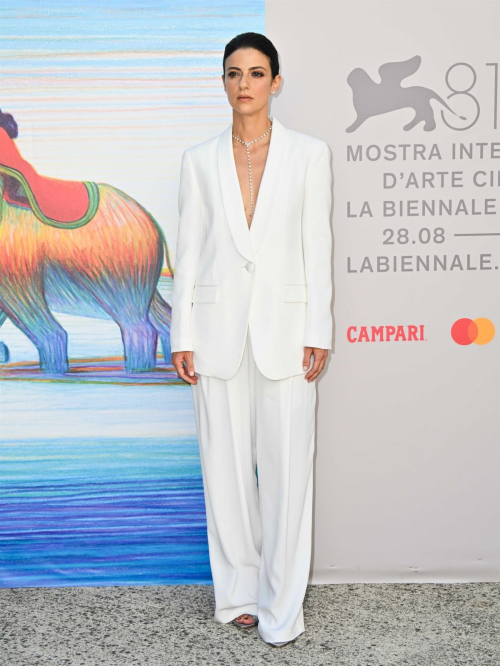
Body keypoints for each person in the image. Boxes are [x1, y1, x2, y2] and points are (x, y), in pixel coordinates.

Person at [170, 32, 333, 648]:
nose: (245, 84)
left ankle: (281, 609)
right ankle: (237, 594)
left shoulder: (309, 154)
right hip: (215, 333)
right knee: (226, 471)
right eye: (234, 73)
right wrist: (182, 331)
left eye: (257, 73)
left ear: (277, 82)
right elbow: (189, 253)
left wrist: (318, 327)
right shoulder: (197, 159)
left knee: (290, 475)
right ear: (223, 83)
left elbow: (318, 247)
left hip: (288, 333)